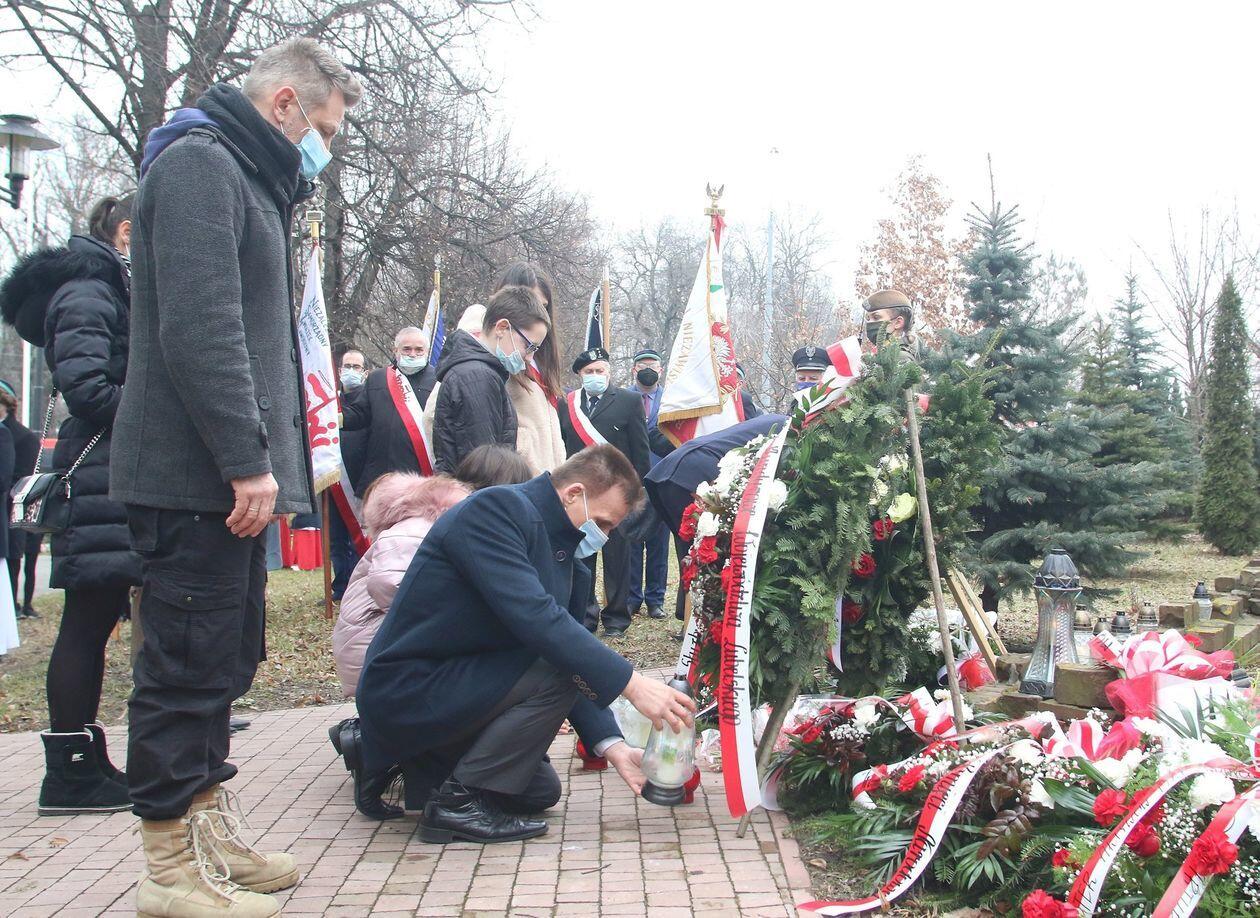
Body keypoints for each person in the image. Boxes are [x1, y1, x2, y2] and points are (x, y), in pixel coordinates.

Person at [110, 38, 362, 916]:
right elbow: (201, 329)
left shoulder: (248, 177)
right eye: (323, 127)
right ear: (285, 103)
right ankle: (168, 869)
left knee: (218, 662)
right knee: (182, 670)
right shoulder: (198, 166)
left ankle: (206, 830)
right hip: (194, 480)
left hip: (219, 484)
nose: (323, 148)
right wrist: (246, 462)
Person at [357, 445, 695, 844]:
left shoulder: (564, 549)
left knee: (538, 792)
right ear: (573, 494)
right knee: (554, 672)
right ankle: (454, 804)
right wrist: (633, 685)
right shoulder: (495, 511)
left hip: (459, 684)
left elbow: (565, 643)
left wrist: (614, 747)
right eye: (603, 522)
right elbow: (539, 622)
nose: (603, 536)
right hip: (411, 686)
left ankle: (411, 762)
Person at [0, 193, 143, 815]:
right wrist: (158, 409)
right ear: (127, 232)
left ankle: (83, 760)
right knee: (86, 623)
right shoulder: (89, 290)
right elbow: (88, 389)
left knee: (93, 620)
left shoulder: (101, 287)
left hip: (107, 473)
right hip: (101, 475)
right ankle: (69, 774)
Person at [330, 445, 532, 819]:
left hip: (394, 648)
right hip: (379, 653)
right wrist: (464, 622)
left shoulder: (455, 523)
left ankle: (391, 745)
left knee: (531, 787)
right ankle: (374, 744)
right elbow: (391, 586)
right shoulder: (420, 525)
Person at [556, 348, 649, 637]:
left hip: (616, 494)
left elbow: (640, 451)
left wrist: (638, 493)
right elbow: (561, 447)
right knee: (582, 556)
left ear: (608, 372)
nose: (595, 376)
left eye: (600, 371)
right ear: (580, 375)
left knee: (617, 557)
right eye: (589, 372)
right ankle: (585, 615)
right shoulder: (567, 404)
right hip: (579, 495)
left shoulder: (629, 401)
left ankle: (617, 618)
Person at [432, 285, 548, 473]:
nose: (529, 357)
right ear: (502, 328)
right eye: (529, 346)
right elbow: (484, 471)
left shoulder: (479, 371)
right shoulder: (478, 377)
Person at [340, 328, 437, 492]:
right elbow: (359, 415)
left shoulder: (438, 381)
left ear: (427, 352)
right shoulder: (377, 378)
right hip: (380, 472)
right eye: (406, 349)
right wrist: (332, 417)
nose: (412, 354)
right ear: (395, 350)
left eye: (419, 350)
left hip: (421, 473)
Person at [496, 263, 567, 475]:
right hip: (515, 478)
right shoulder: (492, 346)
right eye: (530, 301)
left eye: (543, 306)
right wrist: (519, 452)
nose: (538, 312)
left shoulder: (542, 357)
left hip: (547, 478)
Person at [625, 347, 669, 620]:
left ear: (660, 370)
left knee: (658, 543)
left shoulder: (673, 401)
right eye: (643, 366)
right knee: (630, 539)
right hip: (630, 479)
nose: (648, 370)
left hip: (662, 478)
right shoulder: (622, 398)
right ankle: (631, 598)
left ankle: (656, 599)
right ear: (634, 370)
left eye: (653, 366)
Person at [329, 349, 368, 599]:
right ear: (339, 370)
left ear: (365, 372)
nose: (351, 371)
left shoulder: (370, 401)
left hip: (360, 479)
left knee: (358, 536)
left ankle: (358, 587)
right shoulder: (329, 403)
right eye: (347, 366)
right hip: (333, 479)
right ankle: (340, 586)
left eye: (356, 367)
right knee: (336, 537)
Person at [0, 381, 39, 617]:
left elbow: (22, 477)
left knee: (14, 559)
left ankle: (16, 604)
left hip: (13, 507)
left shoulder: (21, 437)